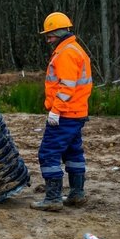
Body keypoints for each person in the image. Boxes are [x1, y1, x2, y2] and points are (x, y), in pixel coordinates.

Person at [30, 12, 93, 211]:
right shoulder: (75, 49)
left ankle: (53, 198)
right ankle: (77, 194)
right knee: (73, 152)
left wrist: (56, 111)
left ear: (59, 32)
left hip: (65, 114)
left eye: (50, 35)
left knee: (48, 152)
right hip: (76, 113)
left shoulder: (66, 53)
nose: (48, 39)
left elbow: (67, 87)